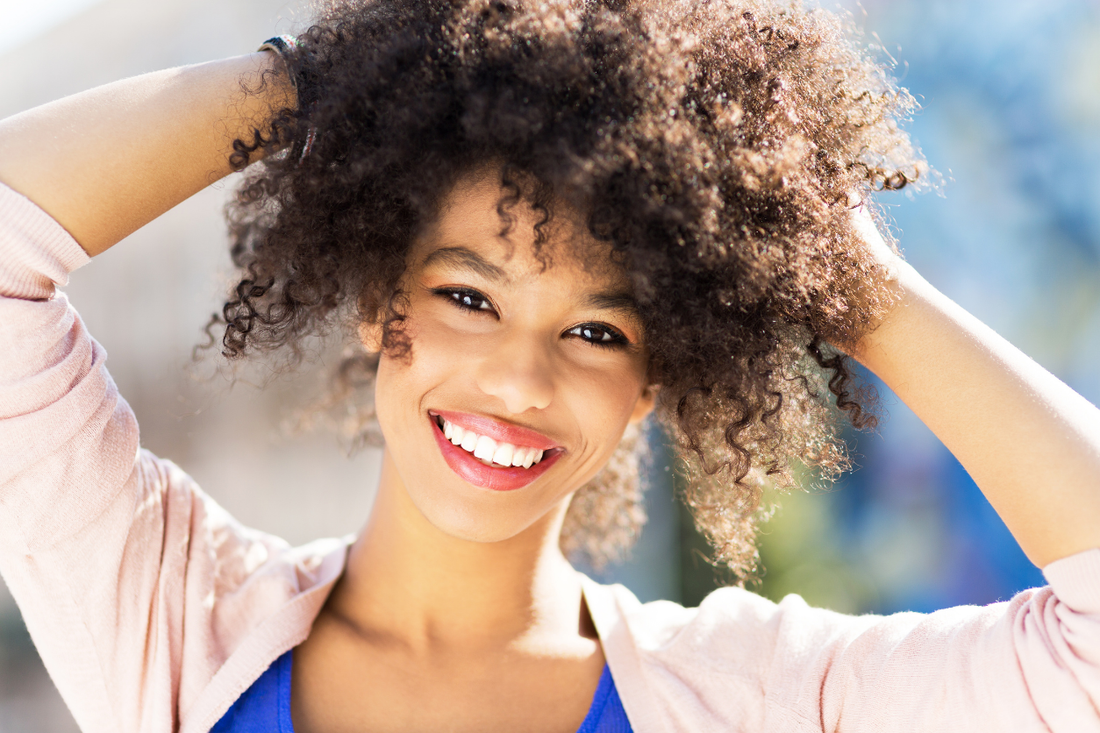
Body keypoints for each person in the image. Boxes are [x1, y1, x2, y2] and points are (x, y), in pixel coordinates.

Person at [1, 0, 1098, 731]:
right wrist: (320, 87)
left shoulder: (752, 695)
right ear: (379, 297)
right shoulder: (175, 621)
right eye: (468, 297)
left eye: (596, 331)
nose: (520, 381)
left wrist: (855, 284)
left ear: (657, 380)